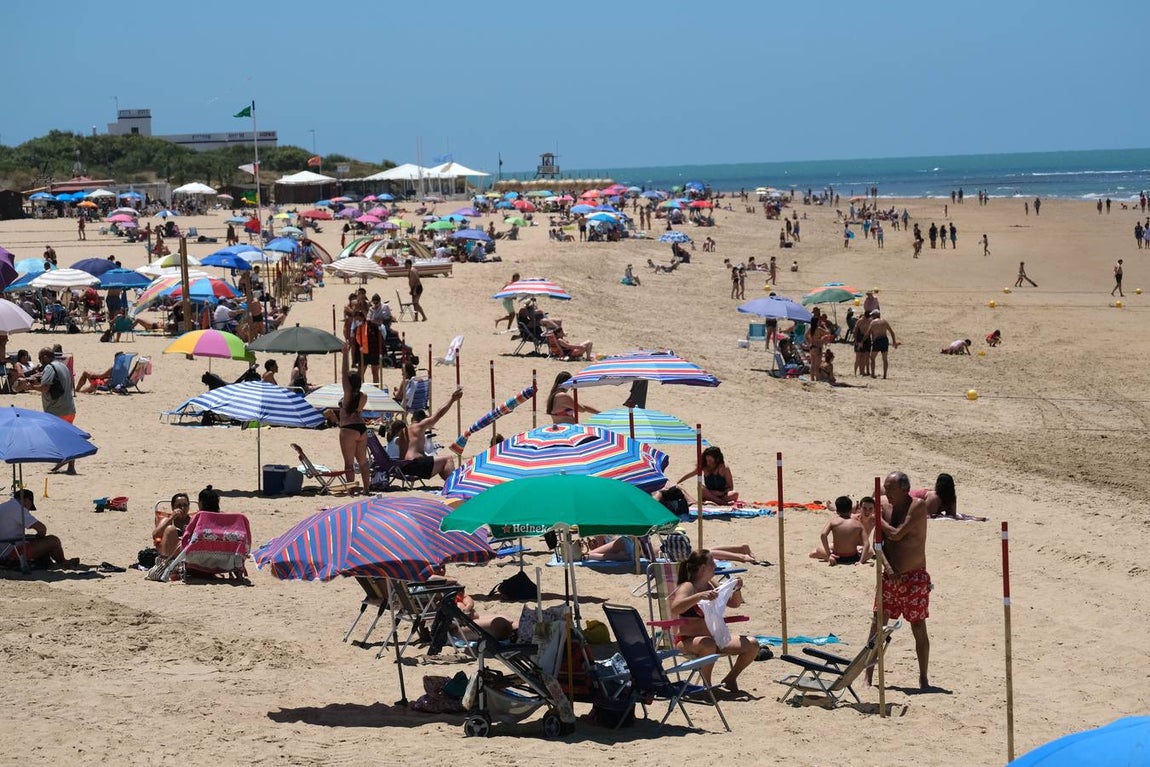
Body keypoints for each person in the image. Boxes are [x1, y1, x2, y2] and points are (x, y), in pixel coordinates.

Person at [866, 471, 932, 690]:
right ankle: (868, 674)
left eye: (891, 488)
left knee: (918, 626)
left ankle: (923, 677)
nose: (886, 493)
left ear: (904, 489)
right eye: (885, 488)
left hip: (914, 577)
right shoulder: (883, 506)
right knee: (878, 624)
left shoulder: (918, 506)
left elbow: (896, 534)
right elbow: (878, 544)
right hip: (888, 576)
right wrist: (887, 567)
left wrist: (877, 518)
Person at [668, 551, 758, 692]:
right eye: (712, 563)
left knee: (753, 644)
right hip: (688, 640)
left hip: (715, 638)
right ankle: (706, 685)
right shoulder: (688, 586)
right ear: (703, 567)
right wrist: (698, 597)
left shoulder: (712, 583)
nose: (716, 565)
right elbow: (675, 608)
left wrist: (736, 590)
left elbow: (734, 604)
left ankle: (730, 678)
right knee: (708, 645)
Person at [397, 387, 464, 481]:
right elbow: (439, 414)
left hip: (403, 468)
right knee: (448, 459)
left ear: (412, 419)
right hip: (415, 465)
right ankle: (453, 484)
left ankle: (449, 483)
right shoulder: (419, 426)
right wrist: (452, 399)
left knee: (438, 461)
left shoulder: (403, 431)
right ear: (423, 419)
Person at [0, 489, 79, 568]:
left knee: (32, 538)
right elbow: (41, 529)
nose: (28, 510)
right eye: (29, 507)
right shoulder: (18, 509)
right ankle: (63, 562)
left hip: (3, 548)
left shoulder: (3, 506)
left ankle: (57, 562)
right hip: (12, 551)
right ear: (27, 500)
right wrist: (40, 536)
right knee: (53, 540)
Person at [33, 347, 77, 474]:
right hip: (69, 408)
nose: (40, 361)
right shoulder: (63, 366)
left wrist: (31, 386)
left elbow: (45, 388)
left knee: (56, 438)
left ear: (46, 357)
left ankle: (63, 459)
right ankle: (70, 466)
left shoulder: (49, 367)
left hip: (56, 410)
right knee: (68, 436)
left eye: (40, 358)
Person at [338, 343, 371, 493]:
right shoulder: (363, 396)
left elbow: (343, 374)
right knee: (363, 461)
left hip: (348, 429)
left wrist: (345, 353)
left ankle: (351, 490)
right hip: (362, 429)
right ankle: (366, 489)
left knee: (349, 463)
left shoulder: (348, 394)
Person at [809, 496, 871, 565]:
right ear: (851, 510)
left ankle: (828, 557)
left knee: (818, 549)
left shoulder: (833, 522)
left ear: (837, 511)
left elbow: (823, 535)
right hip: (853, 557)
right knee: (870, 552)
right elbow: (867, 544)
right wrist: (861, 561)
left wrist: (829, 554)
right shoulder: (858, 524)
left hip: (837, 557)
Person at [152, 493, 193, 559]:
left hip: (188, 553)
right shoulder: (167, 520)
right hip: (170, 553)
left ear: (188, 506)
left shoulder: (193, 520)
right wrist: (171, 518)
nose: (182, 508)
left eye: (185, 505)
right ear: (173, 507)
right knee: (170, 529)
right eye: (179, 506)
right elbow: (155, 535)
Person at [866, 311, 899, 379]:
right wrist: (894, 342)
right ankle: (884, 375)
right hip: (884, 340)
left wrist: (862, 341)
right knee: (884, 359)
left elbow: (868, 333)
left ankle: (873, 374)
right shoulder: (884, 321)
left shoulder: (873, 322)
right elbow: (892, 332)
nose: (871, 317)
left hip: (877, 341)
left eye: (872, 315)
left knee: (872, 358)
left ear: (875, 315)